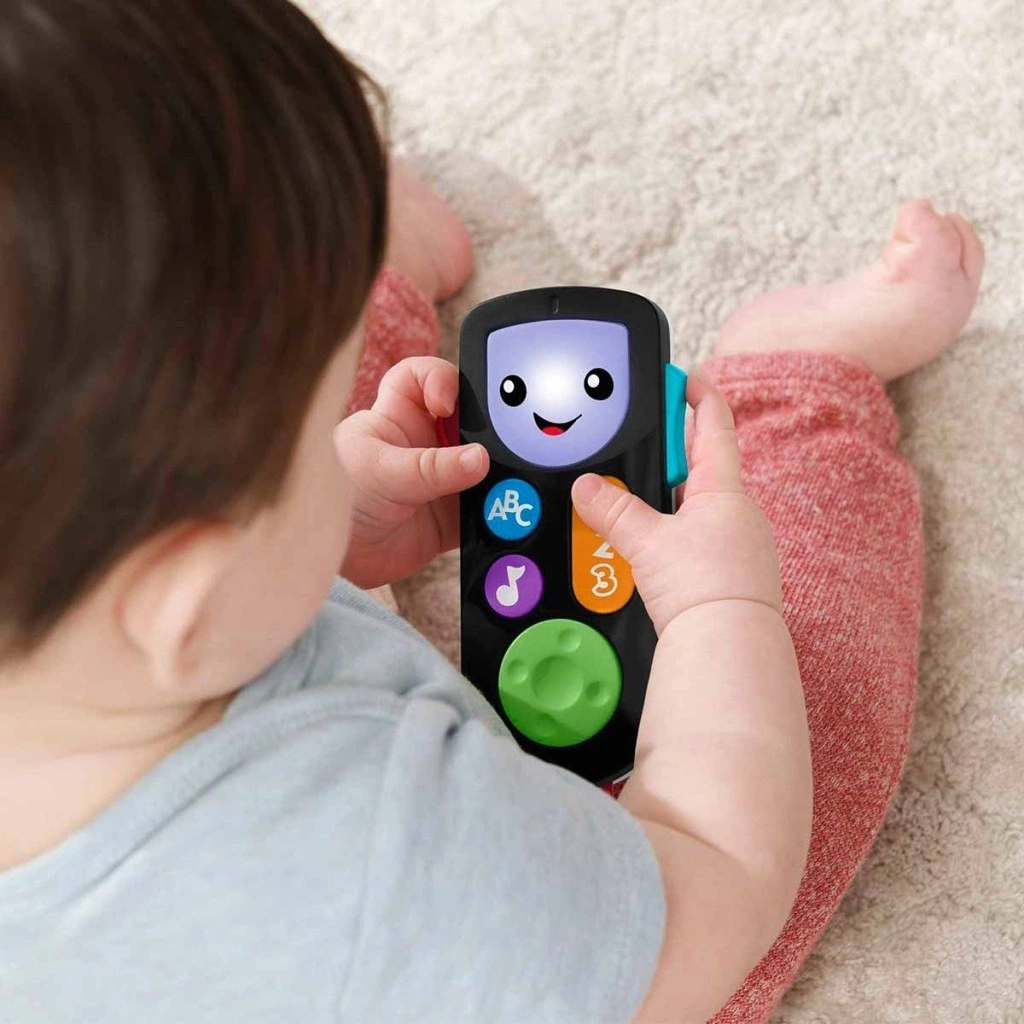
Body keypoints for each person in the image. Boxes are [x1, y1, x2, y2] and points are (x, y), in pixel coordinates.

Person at [0, 1, 983, 1022]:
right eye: (306, 444)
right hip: (547, 955)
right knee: (785, 730)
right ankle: (800, 383)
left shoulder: (80, 615)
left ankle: (365, 275)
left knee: (312, 429)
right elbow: (715, 883)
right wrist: (718, 610)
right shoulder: (390, 870)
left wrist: (324, 531)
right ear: (189, 596)